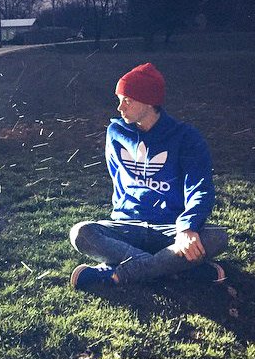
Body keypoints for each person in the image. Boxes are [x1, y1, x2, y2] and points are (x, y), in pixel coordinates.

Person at [69, 62, 228, 289]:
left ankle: (119, 273)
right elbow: (118, 178)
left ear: (150, 101)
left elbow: (200, 186)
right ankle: (175, 267)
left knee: (217, 237)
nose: (120, 108)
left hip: (171, 229)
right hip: (127, 226)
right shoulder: (116, 132)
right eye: (119, 99)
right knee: (81, 233)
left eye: (127, 100)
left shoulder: (186, 137)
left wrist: (187, 227)